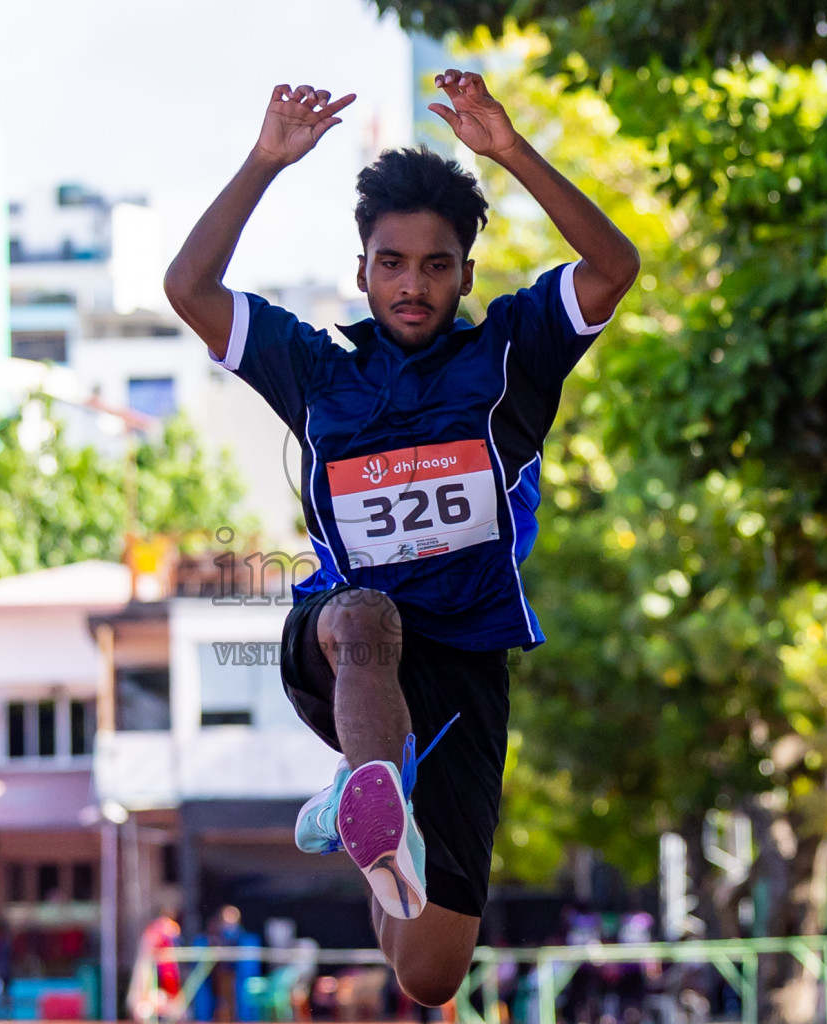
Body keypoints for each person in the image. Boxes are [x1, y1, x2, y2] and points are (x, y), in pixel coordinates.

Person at [164, 70, 640, 1005]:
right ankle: (375, 787)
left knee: (427, 976)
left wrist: (509, 152)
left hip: (464, 657)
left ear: (466, 272)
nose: (412, 285)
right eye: (392, 263)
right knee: (369, 611)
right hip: (340, 645)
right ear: (362, 271)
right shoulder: (313, 364)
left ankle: (373, 818)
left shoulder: (513, 354)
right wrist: (266, 161)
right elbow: (188, 287)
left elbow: (614, 266)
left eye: (435, 265)